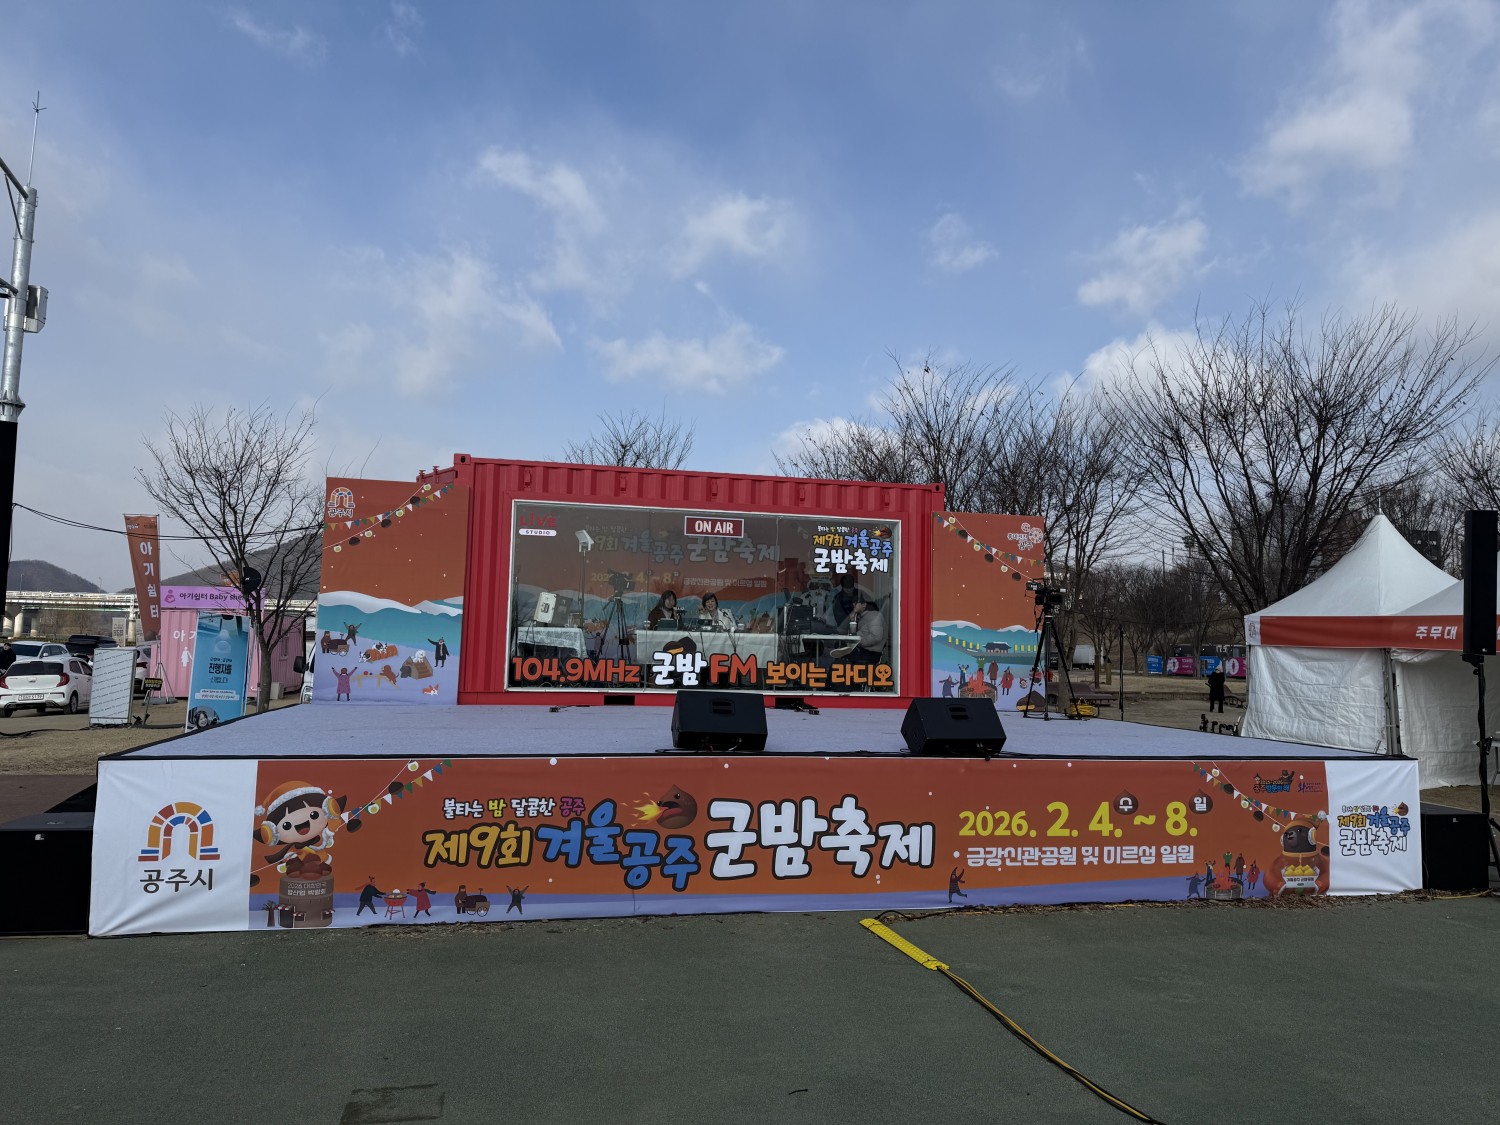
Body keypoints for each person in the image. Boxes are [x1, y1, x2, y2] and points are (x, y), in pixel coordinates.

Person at [841, 594, 886, 665]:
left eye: (856, 603)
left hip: (870, 654)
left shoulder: (874, 616)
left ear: (864, 604)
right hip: (863, 651)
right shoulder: (862, 616)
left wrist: (858, 642)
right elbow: (841, 629)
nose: (853, 605)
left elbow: (876, 637)